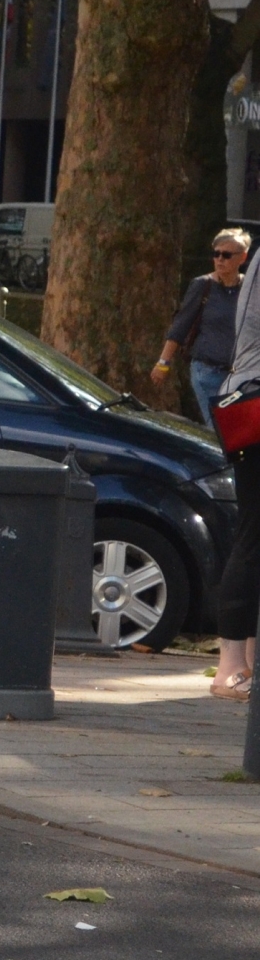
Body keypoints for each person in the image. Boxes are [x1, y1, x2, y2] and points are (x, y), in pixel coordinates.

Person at [210, 271, 260, 696]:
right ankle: (231, 668)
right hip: (254, 404)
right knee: (253, 535)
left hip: (249, 400)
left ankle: (240, 664)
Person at [155, 228, 249, 425]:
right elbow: (181, 325)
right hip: (208, 372)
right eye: (216, 254)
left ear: (243, 257)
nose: (220, 259)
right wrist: (163, 363)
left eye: (226, 255)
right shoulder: (203, 285)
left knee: (241, 431)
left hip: (240, 376)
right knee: (221, 430)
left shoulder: (249, 289)